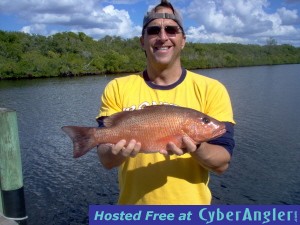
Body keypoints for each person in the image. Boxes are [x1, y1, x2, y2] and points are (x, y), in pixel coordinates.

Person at [96, 0, 235, 204]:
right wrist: (117, 152)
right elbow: (106, 160)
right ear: (142, 41)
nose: (163, 37)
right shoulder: (117, 87)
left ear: (183, 40)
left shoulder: (212, 89)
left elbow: (222, 163)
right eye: (153, 30)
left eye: (171, 29)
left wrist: (196, 148)